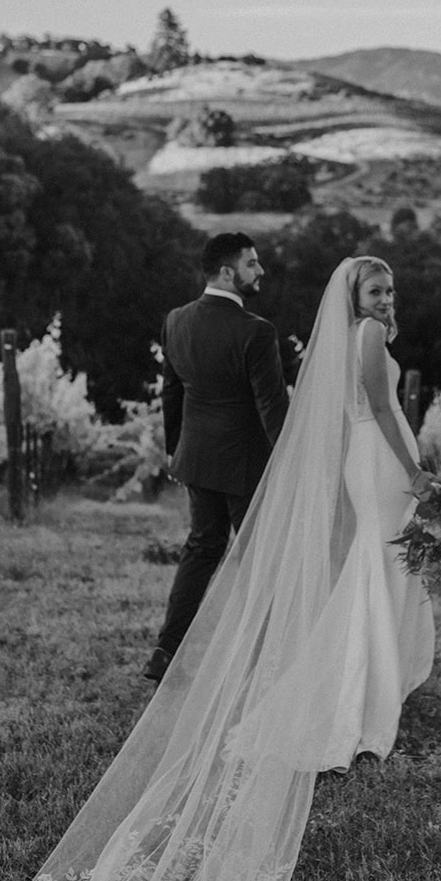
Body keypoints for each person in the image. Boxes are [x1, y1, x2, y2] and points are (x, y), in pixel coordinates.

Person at [0, 256, 438, 881]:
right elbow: (378, 411)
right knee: (369, 569)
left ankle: (364, 686)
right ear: (354, 297)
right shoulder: (360, 335)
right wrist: (411, 470)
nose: (386, 297)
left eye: (391, 288)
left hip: (322, 459)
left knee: (354, 566)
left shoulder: (351, 333)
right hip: (377, 461)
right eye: (375, 289)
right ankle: (361, 694)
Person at [143, 232, 290, 684]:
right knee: (260, 558)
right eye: (251, 263)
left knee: (202, 549)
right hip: (246, 466)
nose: (260, 270)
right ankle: (259, 660)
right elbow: (272, 408)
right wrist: (292, 460)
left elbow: (171, 393)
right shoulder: (256, 331)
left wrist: (176, 451)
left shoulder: (176, 320)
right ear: (227, 272)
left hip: (198, 460)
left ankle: (165, 651)